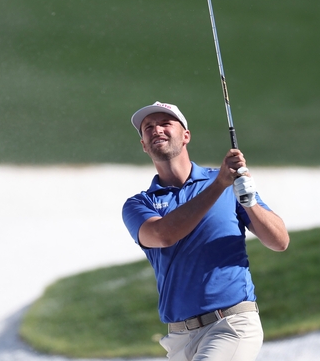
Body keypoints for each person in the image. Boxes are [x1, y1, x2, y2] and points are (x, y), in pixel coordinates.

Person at [122, 101, 289, 361]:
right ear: (144, 144)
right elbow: (163, 235)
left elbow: (279, 241)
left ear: (186, 135)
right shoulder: (139, 204)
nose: (157, 130)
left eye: (165, 123)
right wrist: (219, 185)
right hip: (179, 338)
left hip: (231, 324)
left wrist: (249, 200)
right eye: (148, 127)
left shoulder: (225, 181)